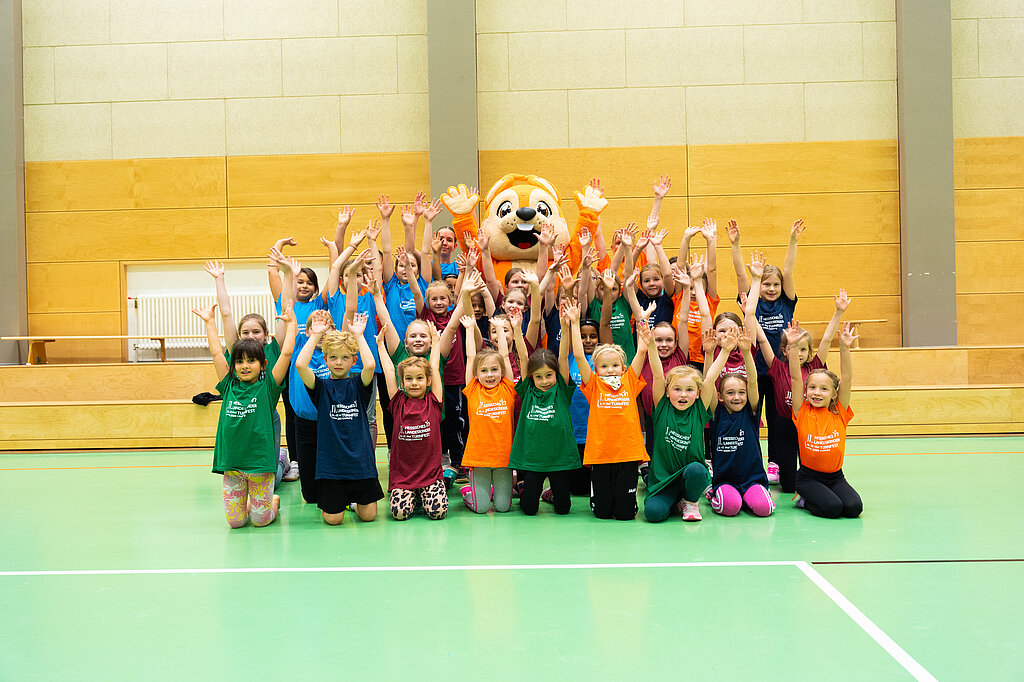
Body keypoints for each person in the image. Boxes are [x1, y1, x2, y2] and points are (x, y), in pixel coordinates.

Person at [193, 302, 295, 528]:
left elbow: (287, 352)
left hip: (260, 466)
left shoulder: (268, 385)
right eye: (239, 361)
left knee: (260, 521)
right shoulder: (229, 384)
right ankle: (257, 503)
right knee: (236, 523)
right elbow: (216, 352)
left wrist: (292, 324)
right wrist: (209, 322)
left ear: (263, 364)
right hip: (233, 466)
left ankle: (272, 503)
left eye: (251, 361)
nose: (244, 366)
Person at [728, 218, 804, 485]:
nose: (771, 289)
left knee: (776, 418)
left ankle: (774, 462)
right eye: (766, 284)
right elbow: (740, 275)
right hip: (754, 370)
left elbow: (789, 270)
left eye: (776, 285)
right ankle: (750, 459)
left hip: (780, 372)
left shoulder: (786, 304)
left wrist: (793, 239)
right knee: (750, 414)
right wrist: (736, 244)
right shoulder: (751, 302)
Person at [756, 289, 850, 493]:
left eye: (803, 349)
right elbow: (763, 340)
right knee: (789, 486)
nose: (798, 353)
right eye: (793, 348)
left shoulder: (815, 365)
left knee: (813, 472)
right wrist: (749, 314)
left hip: (810, 426)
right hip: (785, 426)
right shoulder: (776, 367)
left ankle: (818, 488)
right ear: (784, 350)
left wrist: (838, 312)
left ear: (809, 352)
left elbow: (825, 340)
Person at [567, 298, 653, 520]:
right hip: (601, 455)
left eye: (615, 365)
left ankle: (626, 502)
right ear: (596, 370)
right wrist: (575, 323)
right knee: (602, 513)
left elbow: (642, 349)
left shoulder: (629, 381)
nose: (610, 370)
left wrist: (643, 323)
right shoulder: (593, 385)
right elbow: (578, 355)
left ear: (623, 367)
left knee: (625, 514)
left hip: (627, 454)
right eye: (604, 366)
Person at [296, 308, 383, 526]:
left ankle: (353, 503)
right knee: (333, 520)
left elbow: (371, 365)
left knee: (369, 516)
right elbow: (300, 365)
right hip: (332, 465)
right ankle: (341, 502)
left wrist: (360, 336)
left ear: (353, 361)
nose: (338, 362)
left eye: (345, 358)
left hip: (359, 462)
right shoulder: (321, 387)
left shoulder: (358, 384)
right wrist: (315, 335)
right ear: (325, 359)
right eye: (333, 357)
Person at [643, 329, 730, 522]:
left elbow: (710, 378)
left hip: (689, 476)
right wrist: (650, 344)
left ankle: (690, 502)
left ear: (698, 393)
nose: (683, 395)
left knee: (697, 470)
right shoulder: (662, 407)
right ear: (667, 392)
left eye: (689, 390)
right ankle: (675, 502)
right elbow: (658, 375)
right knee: (653, 514)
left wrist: (724, 351)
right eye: (677, 389)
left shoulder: (698, 410)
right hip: (663, 481)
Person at [510, 303, 579, 516]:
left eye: (548, 375)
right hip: (533, 460)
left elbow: (562, 356)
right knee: (529, 509)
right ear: (531, 377)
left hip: (559, 459)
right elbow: (522, 357)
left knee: (564, 509)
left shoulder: (561, 389)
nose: (544, 381)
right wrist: (516, 329)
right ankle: (527, 488)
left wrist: (565, 326)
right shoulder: (528, 390)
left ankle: (550, 493)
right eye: (539, 376)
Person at [788, 322, 862, 518]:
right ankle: (803, 500)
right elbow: (795, 378)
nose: (817, 393)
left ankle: (819, 497)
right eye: (812, 387)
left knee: (854, 508)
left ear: (833, 394)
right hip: (808, 478)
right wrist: (793, 347)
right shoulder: (801, 411)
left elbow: (847, 379)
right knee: (832, 508)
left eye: (823, 389)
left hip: (836, 478)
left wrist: (845, 348)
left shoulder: (840, 411)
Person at [376, 323, 449, 521]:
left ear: (428, 381)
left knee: (438, 512)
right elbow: (390, 371)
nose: (414, 383)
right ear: (403, 382)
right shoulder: (398, 402)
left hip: (430, 474)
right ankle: (412, 493)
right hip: (404, 476)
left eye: (419, 378)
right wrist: (381, 346)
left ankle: (428, 490)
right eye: (409, 379)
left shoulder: (434, 401)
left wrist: (435, 343)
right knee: (400, 514)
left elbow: (434, 367)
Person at [709, 326, 774, 518]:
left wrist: (746, 352)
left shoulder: (751, 411)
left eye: (741, 392)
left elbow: (753, 382)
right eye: (730, 393)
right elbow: (709, 380)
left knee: (765, 509)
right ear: (720, 396)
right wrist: (724, 351)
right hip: (726, 481)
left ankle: (747, 496)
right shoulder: (715, 412)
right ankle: (714, 492)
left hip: (752, 480)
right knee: (730, 508)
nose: (737, 397)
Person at [459, 316, 517, 513]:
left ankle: (489, 491)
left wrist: (500, 329)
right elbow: (469, 357)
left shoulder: (507, 388)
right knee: (481, 508)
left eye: (494, 370)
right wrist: (468, 329)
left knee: (503, 508)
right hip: (479, 458)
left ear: (501, 371)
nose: (490, 375)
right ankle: (469, 493)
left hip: (503, 459)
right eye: (484, 371)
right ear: (476, 374)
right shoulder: (473, 389)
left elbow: (505, 355)